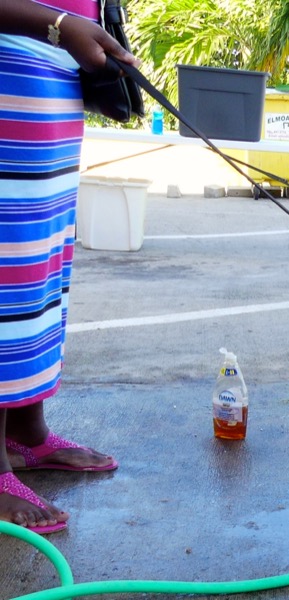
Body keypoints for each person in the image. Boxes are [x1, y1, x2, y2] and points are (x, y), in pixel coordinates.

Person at [0, 0, 140, 534]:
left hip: (55, 76)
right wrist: (57, 24)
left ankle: (27, 434)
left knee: (43, 266)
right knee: (8, 268)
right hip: (13, 64)